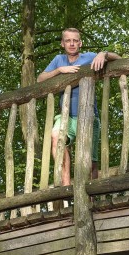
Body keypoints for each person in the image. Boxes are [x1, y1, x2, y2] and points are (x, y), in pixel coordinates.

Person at [37, 27, 121, 185]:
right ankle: (67, 186)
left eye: (75, 40)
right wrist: (59, 71)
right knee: (55, 137)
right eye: (68, 40)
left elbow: (119, 58)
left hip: (88, 116)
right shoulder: (58, 60)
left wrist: (104, 54)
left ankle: (91, 199)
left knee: (90, 161)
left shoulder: (89, 57)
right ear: (62, 43)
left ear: (80, 43)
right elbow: (40, 79)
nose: (72, 44)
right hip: (66, 116)